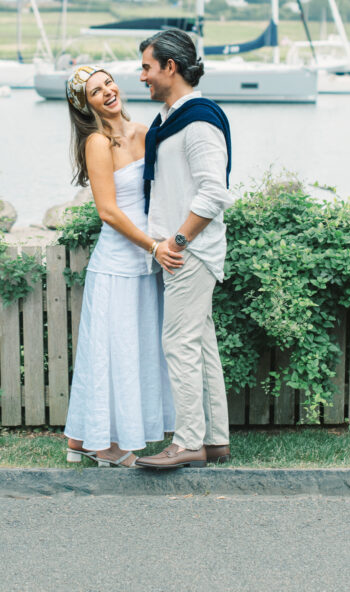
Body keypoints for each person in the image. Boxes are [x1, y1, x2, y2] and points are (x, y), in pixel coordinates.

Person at [63, 64, 175, 467]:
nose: (107, 91)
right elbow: (108, 211)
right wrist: (153, 245)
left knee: (134, 351)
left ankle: (79, 438)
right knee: (109, 353)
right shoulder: (97, 142)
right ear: (86, 105)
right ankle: (102, 446)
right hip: (117, 263)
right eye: (96, 91)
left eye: (108, 82)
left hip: (148, 262)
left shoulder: (146, 132)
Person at [134, 29, 233, 470]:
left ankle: (187, 441)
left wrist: (175, 240)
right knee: (200, 343)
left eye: (147, 67)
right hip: (182, 251)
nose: (142, 77)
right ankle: (213, 440)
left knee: (178, 343)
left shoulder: (199, 120)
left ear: (170, 68)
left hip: (188, 251)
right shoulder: (170, 119)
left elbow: (214, 193)